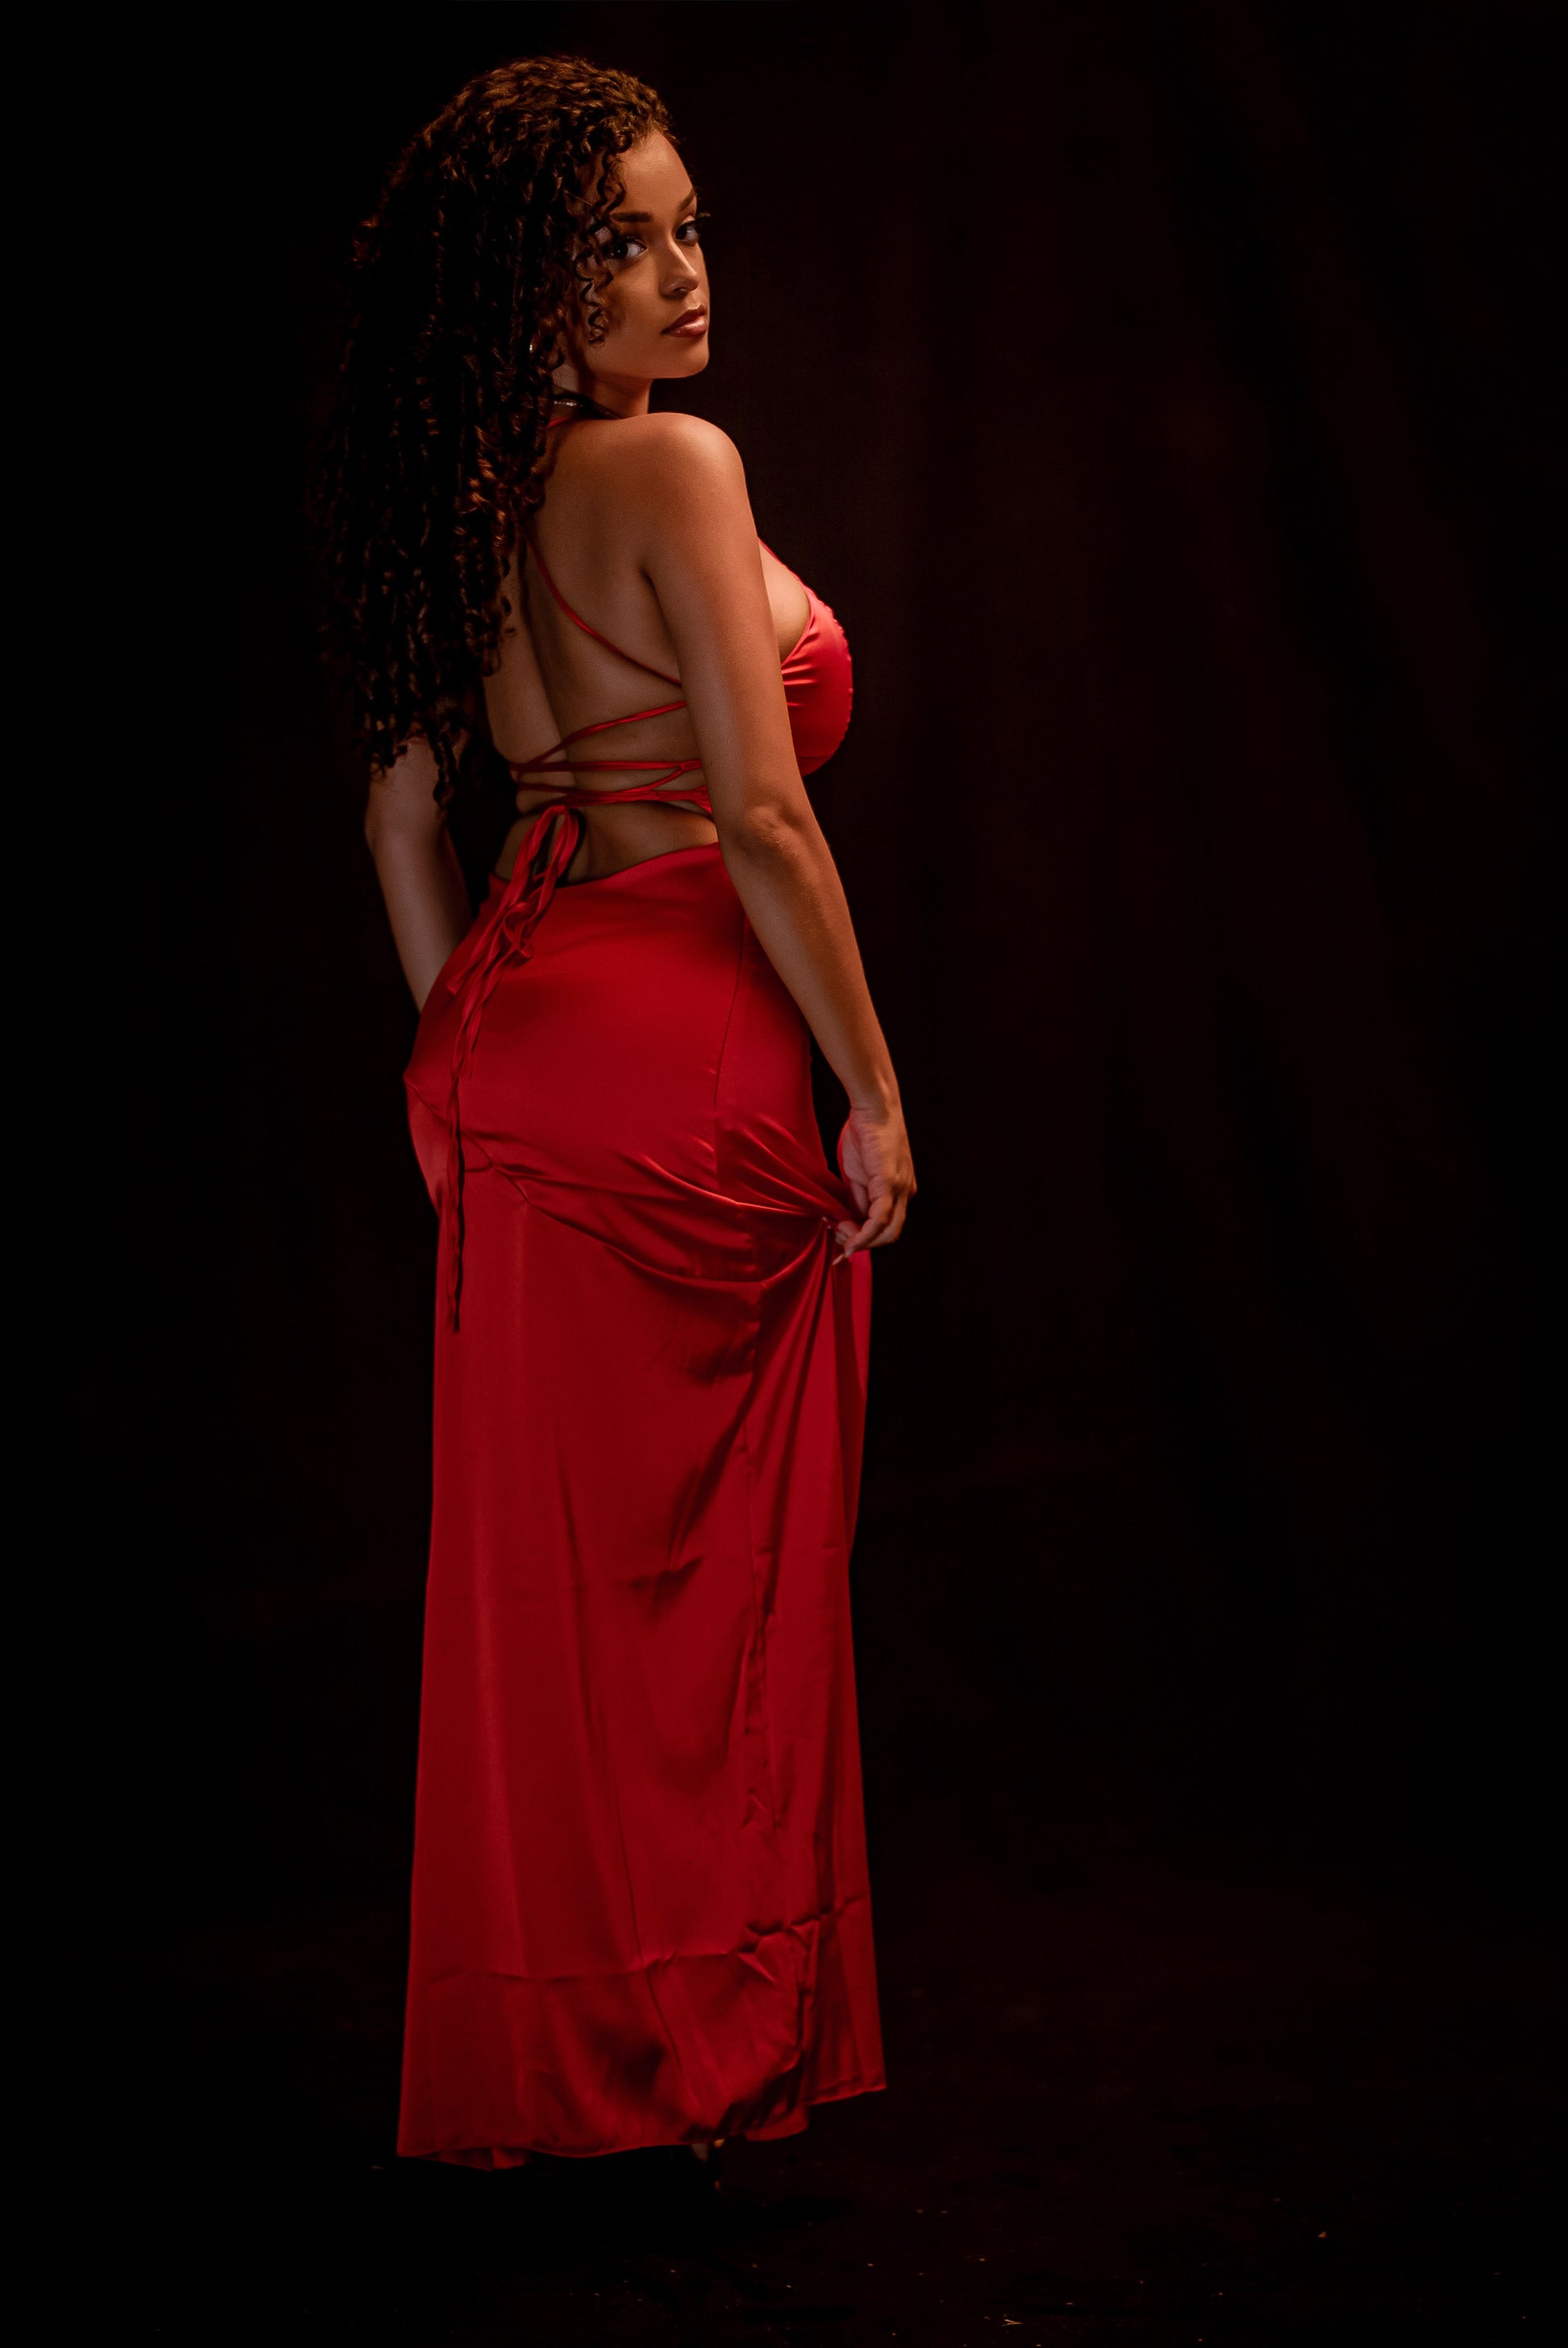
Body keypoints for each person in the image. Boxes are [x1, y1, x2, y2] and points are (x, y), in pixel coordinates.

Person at [325, 53, 914, 2168]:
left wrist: (465, 1075)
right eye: (621, 243)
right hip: (688, 1041)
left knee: (553, 1611)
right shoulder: (677, 470)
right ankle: (700, 2065)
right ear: (528, 282)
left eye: (686, 229)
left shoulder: (469, 499)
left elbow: (405, 820)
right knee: (718, 1593)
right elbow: (760, 815)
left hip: (521, 1042)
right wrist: (873, 1087)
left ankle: (565, 2075)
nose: (680, 275)